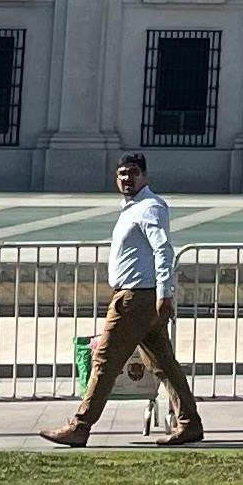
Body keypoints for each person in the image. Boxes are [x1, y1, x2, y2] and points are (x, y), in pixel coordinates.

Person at [42, 153, 204, 447]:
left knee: (104, 360)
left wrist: (165, 294)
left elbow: (163, 251)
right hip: (138, 296)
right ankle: (189, 423)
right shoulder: (132, 209)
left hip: (136, 298)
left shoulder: (149, 207)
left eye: (133, 172)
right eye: (122, 173)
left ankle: (80, 426)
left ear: (145, 176)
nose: (127, 178)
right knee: (163, 364)